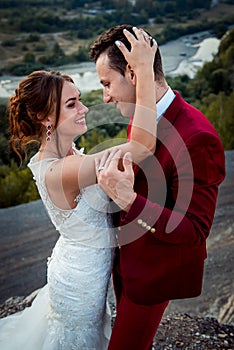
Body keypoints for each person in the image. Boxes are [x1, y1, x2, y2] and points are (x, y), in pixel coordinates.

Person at [0, 28, 157, 349]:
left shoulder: (69, 156)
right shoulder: (62, 170)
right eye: (72, 104)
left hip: (83, 268)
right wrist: (142, 70)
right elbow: (142, 146)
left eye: (80, 100)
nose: (85, 109)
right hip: (81, 281)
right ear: (45, 117)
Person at [90, 24, 226, 349]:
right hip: (127, 267)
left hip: (153, 276)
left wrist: (129, 200)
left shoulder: (198, 138)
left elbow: (194, 231)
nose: (105, 96)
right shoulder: (142, 116)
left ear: (134, 75)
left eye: (107, 84)